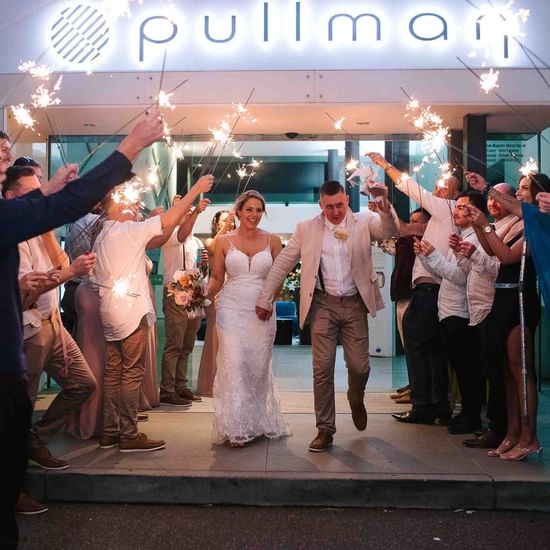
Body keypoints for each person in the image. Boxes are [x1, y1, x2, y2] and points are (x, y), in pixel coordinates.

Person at [0, 109, 164, 549]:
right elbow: (67, 209)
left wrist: (52, 191)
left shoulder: (23, 216)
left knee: (82, 383)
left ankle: (33, 443)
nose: (5, 158)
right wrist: (132, 145)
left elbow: (51, 211)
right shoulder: (10, 217)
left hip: (47, 321)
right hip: (19, 338)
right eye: (0, 158)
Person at [256, 180, 398, 452]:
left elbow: (390, 231)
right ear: (321, 204)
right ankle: (325, 429)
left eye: (340, 205)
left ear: (347, 199)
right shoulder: (306, 228)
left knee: (360, 366)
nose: (335, 211)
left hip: (355, 303)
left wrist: (384, 204)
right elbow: (283, 262)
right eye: (329, 206)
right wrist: (265, 298)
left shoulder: (365, 221)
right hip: (322, 303)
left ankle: (356, 399)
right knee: (322, 369)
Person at [92, 174, 213, 453]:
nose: (136, 209)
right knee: (131, 373)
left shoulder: (103, 235)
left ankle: (110, 432)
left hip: (109, 310)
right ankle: (129, 434)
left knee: (113, 373)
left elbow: (158, 239)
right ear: (119, 206)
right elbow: (169, 222)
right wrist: (196, 189)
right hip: (131, 311)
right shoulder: (127, 231)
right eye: (133, 205)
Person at [368, 152, 459, 426]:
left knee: (418, 347)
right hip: (435, 293)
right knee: (434, 350)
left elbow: (410, 187)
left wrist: (385, 165)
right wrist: (385, 210)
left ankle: (422, 406)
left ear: (454, 194)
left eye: (444, 186)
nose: (436, 189)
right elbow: (404, 229)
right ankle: (438, 406)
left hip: (430, 292)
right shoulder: (438, 220)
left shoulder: (446, 208)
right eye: (437, 185)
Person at [465, 174, 544, 460]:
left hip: (520, 298)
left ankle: (529, 436)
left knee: (522, 371)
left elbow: (509, 257)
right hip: (503, 296)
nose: (520, 193)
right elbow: (492, 250)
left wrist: (485, 222)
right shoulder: (518, 223)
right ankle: (512, 433)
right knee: (506, 372)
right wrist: (478, 223)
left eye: (525, 189)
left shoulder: (538, 224)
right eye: (520, 188)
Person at [208, 190, 290, 448]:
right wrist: (197, 292)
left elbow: (278, 278)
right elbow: (217, 278)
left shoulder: (273, 240)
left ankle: (254, 422)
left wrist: (269, 302)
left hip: (262, 310)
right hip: (230, 308)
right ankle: (236, 428)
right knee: (234, 364)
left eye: (258, 210)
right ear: (239, 212)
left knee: (257, 368)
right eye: (249, 210)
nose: (254, 215)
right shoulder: (223, 242)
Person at [414, 191, 491, 434]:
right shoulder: (462, 235)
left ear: (476, 212)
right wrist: (426, 256)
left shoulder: (477, 238)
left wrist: (432, 255)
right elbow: (446, 273)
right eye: (455, 207)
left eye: (461, 207)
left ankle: (471, 415)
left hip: (461, 310)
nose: (455, 211)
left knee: (467, 367)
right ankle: (467, 413)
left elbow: (460, 276)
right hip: (449, 308)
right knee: (460, 365)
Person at [160, 196, 210, 406]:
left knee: (188, 343)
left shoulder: (197, 241)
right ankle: (167, 390)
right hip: (175, 289)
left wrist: (205, 265)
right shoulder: (170, 234)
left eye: (187, 209)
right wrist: (196, 212)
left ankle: (180, 386)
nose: (186, 212)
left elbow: (201, 271)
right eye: (182, 209)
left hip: (194, 290)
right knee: (175, 343)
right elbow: (181, 234)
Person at [196, 210, 236, 397]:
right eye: (224, 221)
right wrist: (227, 228)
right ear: (216, 224)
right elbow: (213, 250)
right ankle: (211, 382)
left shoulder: (236, 242)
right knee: (216, 336)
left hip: (235, 291)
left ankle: (231, 382)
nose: (229, 223)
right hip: (217, 290)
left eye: (231, 220)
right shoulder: (211, 242)